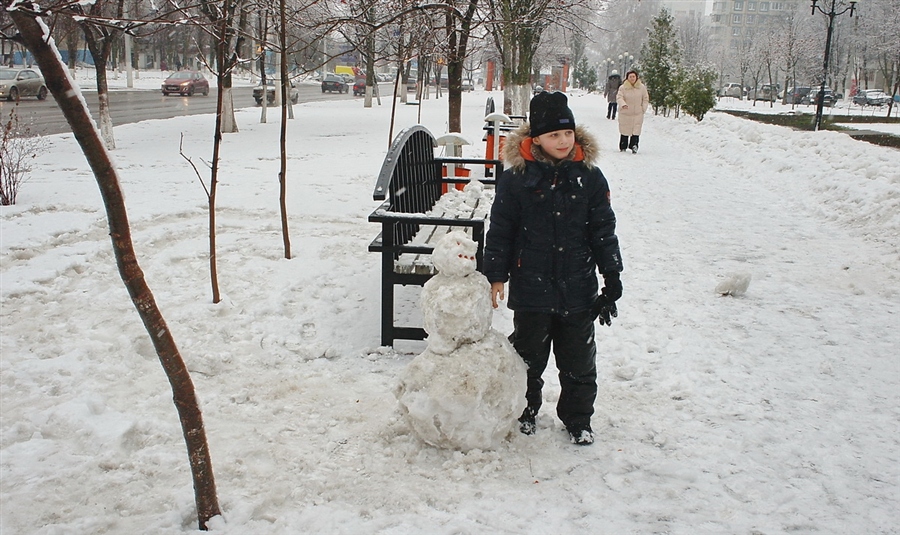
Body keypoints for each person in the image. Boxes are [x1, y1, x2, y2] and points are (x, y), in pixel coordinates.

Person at [484, 91, 624, 446]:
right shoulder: (517, 178)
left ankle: (577, 418)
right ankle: (525, 411)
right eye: (553, 135)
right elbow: (501, 229)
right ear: (536, 139)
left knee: (579, 362)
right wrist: (496, 275)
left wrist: (612, 276)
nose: (562, 141)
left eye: (567, 133)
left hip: (578, 287)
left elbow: (603, 229)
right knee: (527, 359)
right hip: (531, 287)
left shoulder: (590, 177)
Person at [616, 70, 650, 153]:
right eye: (630, 77)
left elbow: (645, 98)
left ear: (636, 77)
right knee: (625, 130)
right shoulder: (623, 87)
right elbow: (619, 97)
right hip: (625, 113)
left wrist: (643, 108)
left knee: (636, 130)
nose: (632, 78)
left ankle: (634, 146)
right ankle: (623, 146)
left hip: (637, 113)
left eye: (633, 76)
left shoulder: (641, 87)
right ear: (627, 78)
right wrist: (623, 104)